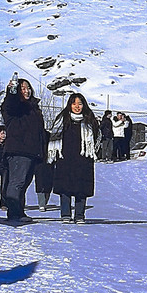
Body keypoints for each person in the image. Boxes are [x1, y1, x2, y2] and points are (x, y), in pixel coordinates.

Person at [48, 93, 100, 223]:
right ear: (69, 105)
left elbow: (98, 138)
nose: (77, 106)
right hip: (65, 159)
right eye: (74, 103)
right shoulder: (62, 119)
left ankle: (79, 215)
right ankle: (65, 214)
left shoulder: (90, 120)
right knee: (65, 187)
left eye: (80, 104)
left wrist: (92, 151)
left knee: (81, 188)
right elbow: (54, 137)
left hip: (83, 159)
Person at [0, 74, 46, 224]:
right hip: (18, 149)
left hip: (32, 151)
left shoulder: (34, 108)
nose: (26, 91)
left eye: (28, 88)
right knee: (17, 182)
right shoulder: (14, 106)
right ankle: (13, 212)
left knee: (24, 183)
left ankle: (19, 211)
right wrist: (12, 91)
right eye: (22, 88)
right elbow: (11, 102)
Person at [33, 130, 54, 211]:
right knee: (40, 181)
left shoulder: (50, 135)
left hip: (49, 158)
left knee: (49, 181)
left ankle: (44, 202)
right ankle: (42, 203)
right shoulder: (36, 134)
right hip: (39, 159)